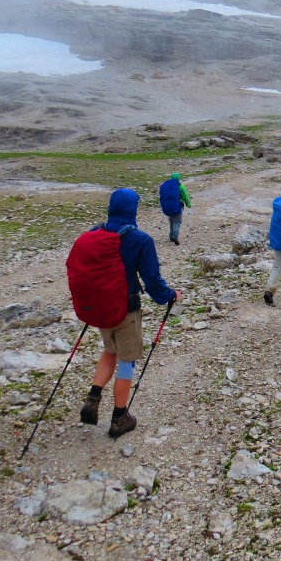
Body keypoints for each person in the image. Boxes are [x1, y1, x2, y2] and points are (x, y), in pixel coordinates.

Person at [80, 188, 178, 438]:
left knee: (110, 350)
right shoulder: (139, 239)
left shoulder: (95, 233)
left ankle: (93, 398)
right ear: (133, 209)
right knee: (126, 360)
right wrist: (170, 295)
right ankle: (119, 417)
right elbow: (152, 281)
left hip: (101, 307)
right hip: (126, 309)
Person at [158, 172, 191, 245]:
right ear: (178, 178)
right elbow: (185, 196)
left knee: (171, 221)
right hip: (177, 206)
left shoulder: (167, 186)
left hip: (168, 207)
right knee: (177, 221)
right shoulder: (180, 186)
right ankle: (175, 236)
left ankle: (171, 236)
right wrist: (188, 204)